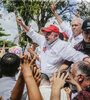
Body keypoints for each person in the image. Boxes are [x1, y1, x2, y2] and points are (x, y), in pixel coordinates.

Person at [16, 18, 90, 78]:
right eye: (45, 33)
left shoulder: (62, 46)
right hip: (41, 75)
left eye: (48, 33)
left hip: (53, 78)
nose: (46, 35)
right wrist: (22, 24)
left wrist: (87, 60)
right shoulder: (43, 40)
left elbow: (75, 55)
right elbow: (32, 33)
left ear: (56, 36)